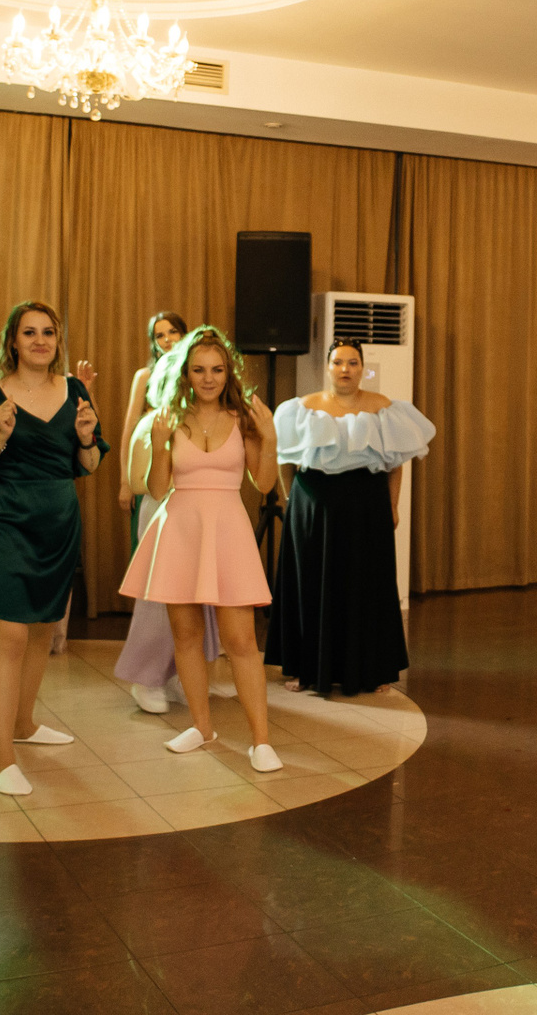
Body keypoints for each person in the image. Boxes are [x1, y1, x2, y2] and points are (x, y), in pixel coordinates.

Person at [0, 300, 106, 796]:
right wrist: (0, 436)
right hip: (8, 523)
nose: (40, 341)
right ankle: (1, 761)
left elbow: (90, 464)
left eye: (48, 332)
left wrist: (86, 439)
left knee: (42, 632)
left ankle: (24, 723)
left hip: (59, 526)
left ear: (58, 341)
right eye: (30, 332)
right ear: (13, 342)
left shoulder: (75, 391)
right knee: (11, 638)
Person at [119, 326, 283, 772]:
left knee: (241, 641)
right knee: (186, 637)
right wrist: (158, 444)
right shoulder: (170, 418)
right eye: (199, 370)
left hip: (228, 531)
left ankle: (261, 741)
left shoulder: (243, 418)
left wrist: (269, 439)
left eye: (216, 369)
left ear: (228, 372)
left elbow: (264, 483)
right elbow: (157, 488)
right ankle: (202, 727)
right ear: (186, 374)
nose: (208, 378)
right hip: (179, 529)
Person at [268, 338, 434, 696]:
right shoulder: (301, 407)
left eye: (353, 363)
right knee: (312, 582)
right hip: (313, 504)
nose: (345, 369)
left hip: (366, 506)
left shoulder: (384, 407)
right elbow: (285, 460)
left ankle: (373, 669)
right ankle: (306, 669)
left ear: (362, 368)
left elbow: (395, 464)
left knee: (367, 584)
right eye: (339, 362)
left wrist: (393, 507)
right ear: (328, 367)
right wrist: (293, 500)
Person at [112, 311, 232, 713]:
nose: (167, 340)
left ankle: (183, 673)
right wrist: (128, 480)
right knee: (161, 594)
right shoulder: (152, 400)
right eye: (159, 335)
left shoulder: (212, 406)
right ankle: (146, 677)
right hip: (162, 503)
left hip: (201, 509)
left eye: (173, 332)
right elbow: (136, 441)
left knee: (199, 595)